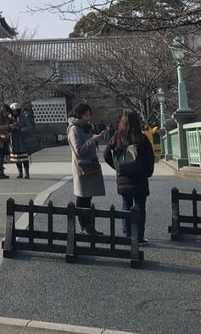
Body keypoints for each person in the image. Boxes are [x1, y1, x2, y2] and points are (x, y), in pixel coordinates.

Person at [103, 110, 156, 245]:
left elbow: (106, 154)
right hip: (139, 178)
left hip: (123, 178)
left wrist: (118, 167)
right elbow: (150, 158)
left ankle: (127, 234)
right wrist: (146, 172)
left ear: (122, 123)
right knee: (140, 207)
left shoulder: (117, 137)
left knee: (126, 205)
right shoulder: (141, 138)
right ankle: (138, 237)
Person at [67, 102, 108, 234]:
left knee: (87, 197)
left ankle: (88, 226)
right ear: (79, 114)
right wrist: (93, 140)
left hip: (90, 165)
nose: (88, 118)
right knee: (82, 197)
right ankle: (84, 226)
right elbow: (79, 149)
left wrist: (96, 138)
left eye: (90, 115)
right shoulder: (74, 128)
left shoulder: (86, 127)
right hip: (82, 167)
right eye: (86, 115)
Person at [8, 103, 31, 179]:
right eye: (13, 111)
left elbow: (28, 126)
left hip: (22, 140)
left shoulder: (23, 117)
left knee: (24, 157)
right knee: (16, 157)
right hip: (13, 140)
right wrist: (11, 128)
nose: (14, 112)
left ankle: (27, 173)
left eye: (15, 111)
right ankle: (20, 172)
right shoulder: (9, 117)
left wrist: (23, 129)